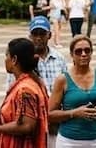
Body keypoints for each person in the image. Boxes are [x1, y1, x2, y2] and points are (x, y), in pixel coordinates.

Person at [10, 16, 69, 147]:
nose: (38, 38)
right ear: (29, 36)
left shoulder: (59, 59)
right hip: (30, 124)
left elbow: (67, 90)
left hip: (54, 125)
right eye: (34, 34)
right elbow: (12, 92)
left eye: (42, 34)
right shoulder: (20, 61)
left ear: (49, 35)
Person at [48, 35, 96, 148]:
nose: (83, 54)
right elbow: (51, 114)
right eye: (78, 51)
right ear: (72, 55)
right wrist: (75, 113)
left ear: (91, 53)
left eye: (87, 50)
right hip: (69, 141)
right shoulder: (63, 80)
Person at [0, 38, 50, 148]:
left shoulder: (25, 89)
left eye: (7, 55)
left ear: (14, 59)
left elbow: (27, 125)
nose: (5, 59)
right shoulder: (32, 83)